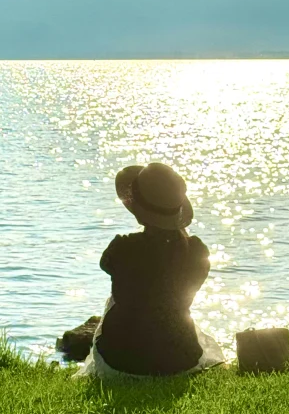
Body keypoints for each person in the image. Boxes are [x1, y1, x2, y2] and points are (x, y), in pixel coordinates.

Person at [75, 162, 224, 380]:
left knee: (118, 297)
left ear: (139, 211)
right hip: (180, 360)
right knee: (170, 307)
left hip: (120, 361)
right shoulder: (197, 252)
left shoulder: (122, 248)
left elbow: (106, 265)